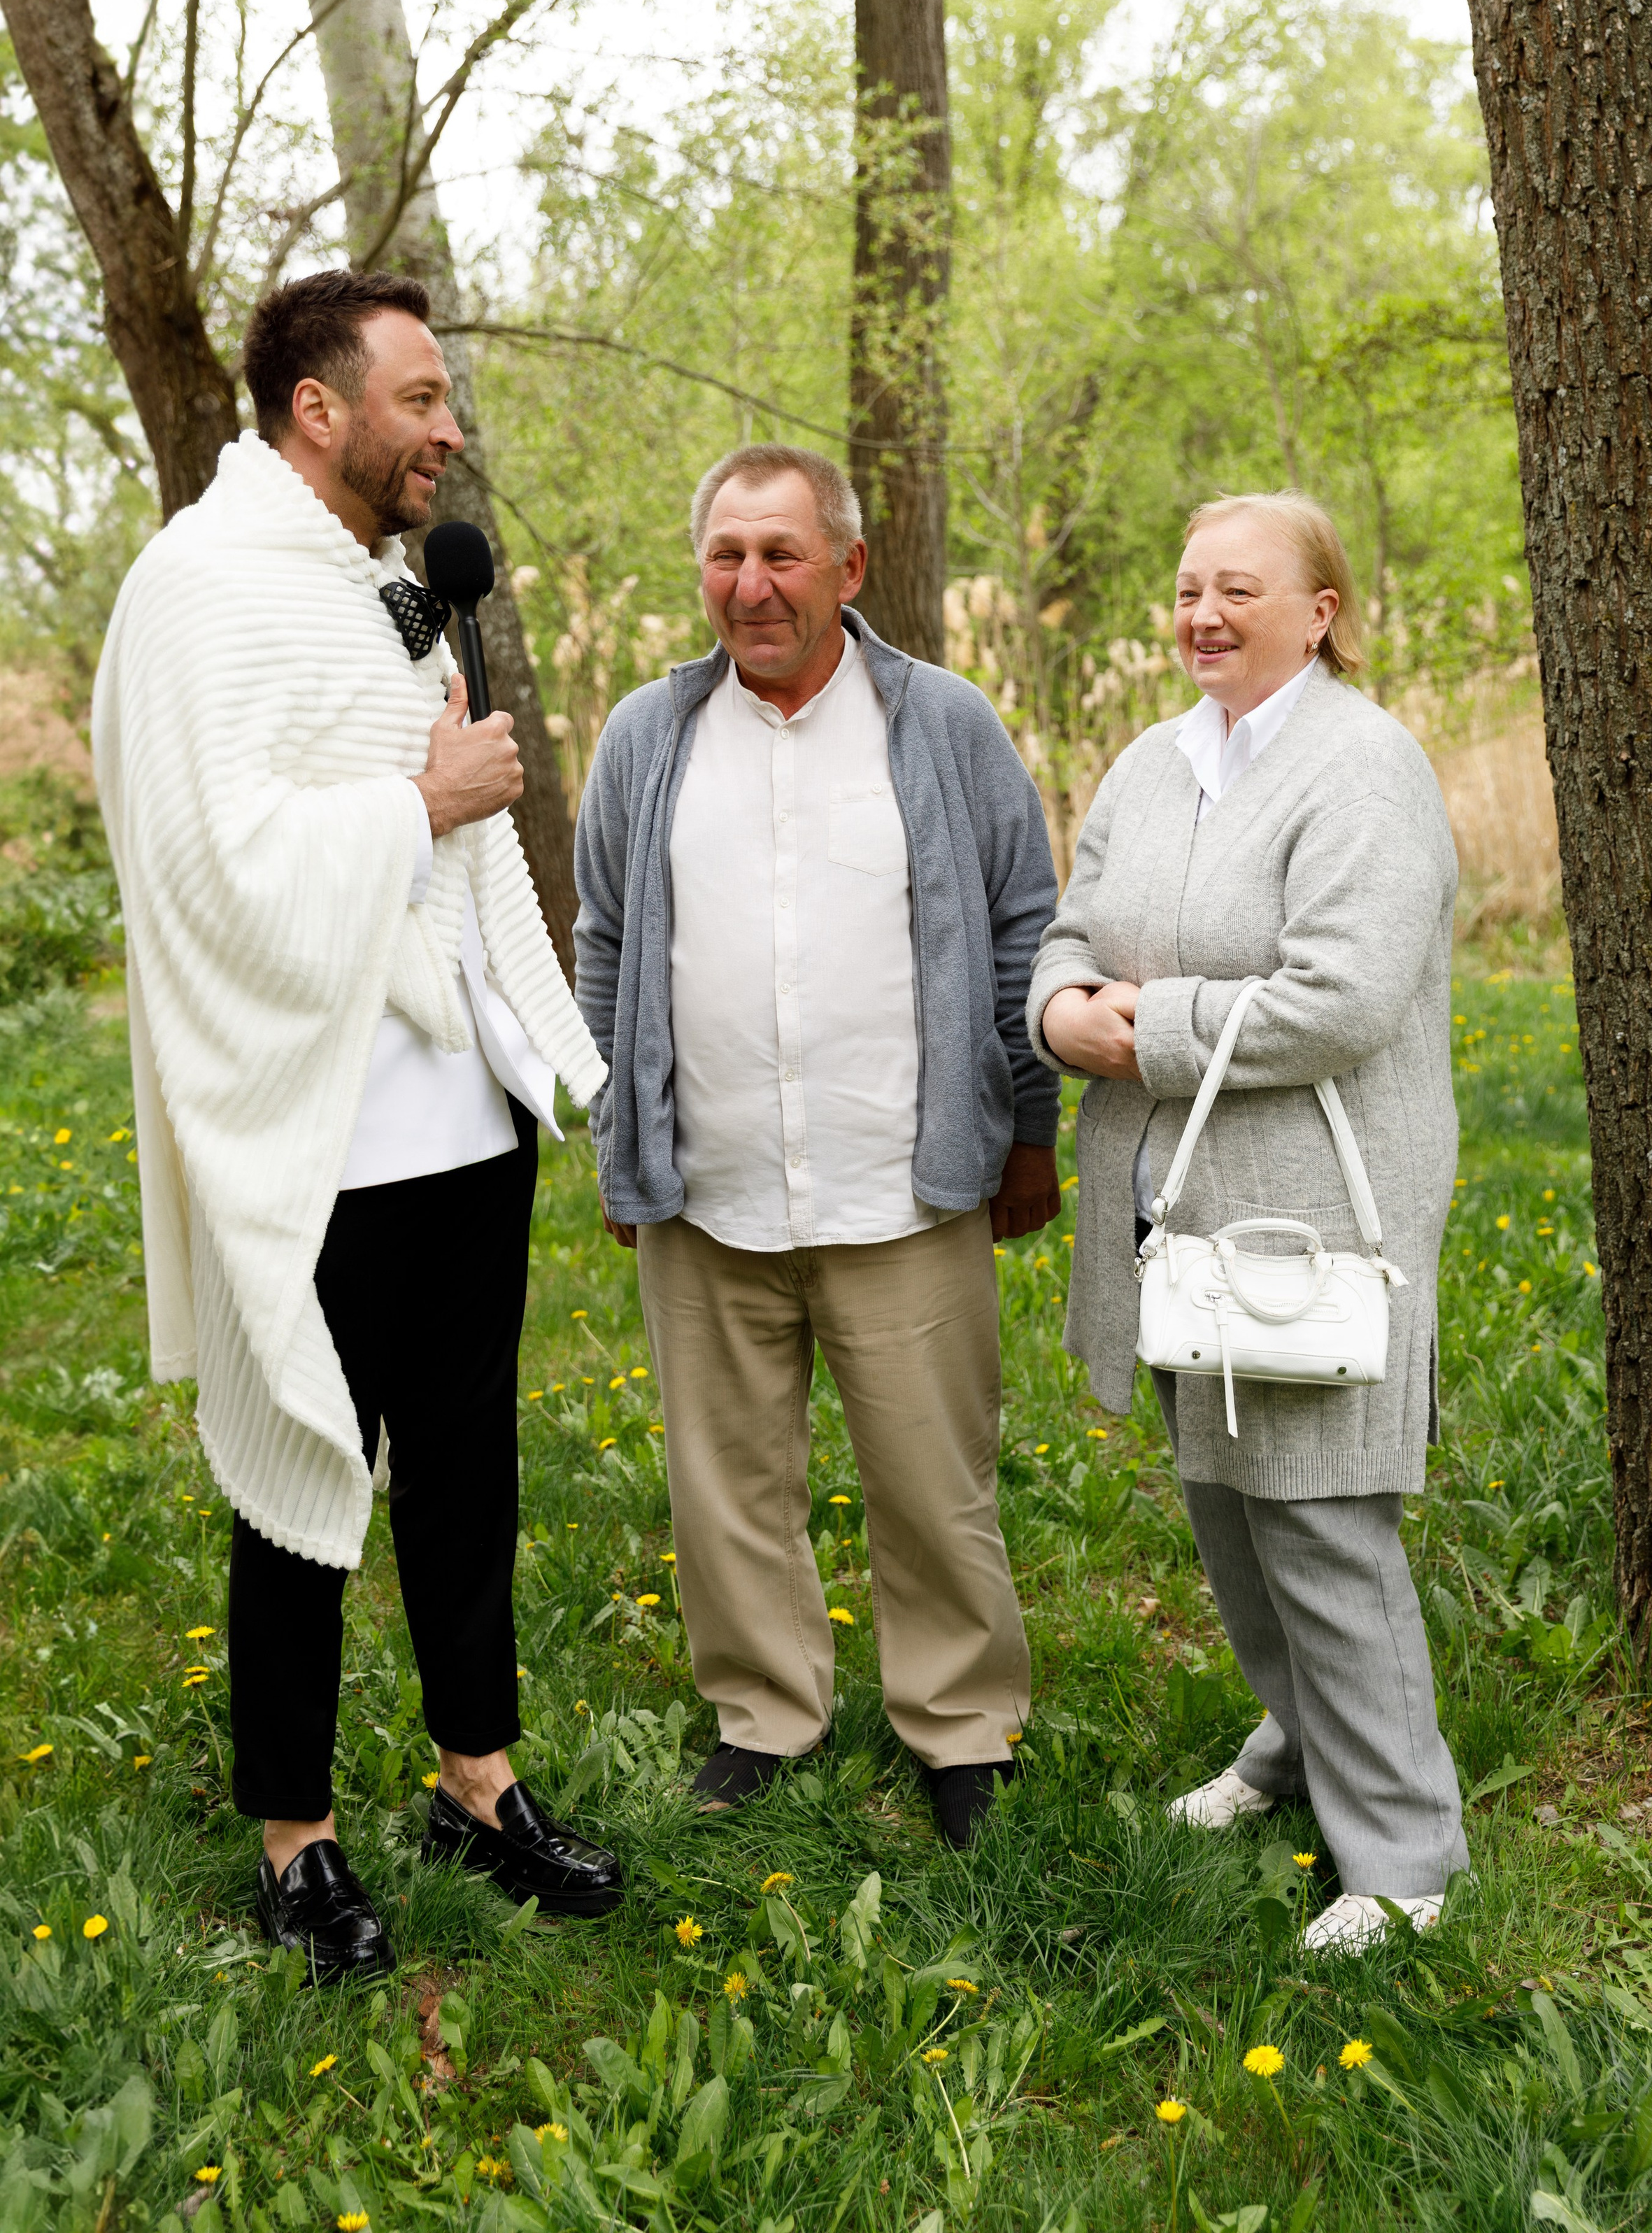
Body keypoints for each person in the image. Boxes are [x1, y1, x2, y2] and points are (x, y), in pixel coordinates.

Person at [92, 269, 623, 1985]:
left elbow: (441, 841)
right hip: (313, 1129)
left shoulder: (388, 583)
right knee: (304, 1478)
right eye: (419, 397)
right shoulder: (199, 587)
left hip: (459, 1114)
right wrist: (420, 802)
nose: (449, 428)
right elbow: (207, 857)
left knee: (468, 1476)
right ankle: (296, 1836)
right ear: (316, 408)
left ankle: (480, 1780)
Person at [574, 444, 1061, 1848]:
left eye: (780, 553)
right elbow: (603, 940)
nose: (750, 583)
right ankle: (761, 1712)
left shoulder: (942, 723)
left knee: (931, 1477)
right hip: (708, 1189)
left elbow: (1023, 923)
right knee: (726, 1482)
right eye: (726, 554)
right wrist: (625, 1130)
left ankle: (960, 1724)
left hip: (901, 1185)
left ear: (848, 569)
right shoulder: (646, 736)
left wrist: (1027, 1125)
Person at [1027, 490, 1468, 1952]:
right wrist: (1057, 1006)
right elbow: (1070, 934)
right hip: (1175, 1205)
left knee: (1322, 1521)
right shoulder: (1154, 763)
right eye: (1183, 586)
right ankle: (1296, 1744)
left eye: (1235, 588)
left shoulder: (1364, 769)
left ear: (1320, 608)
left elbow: (1339, 995)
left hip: (1307, 1211)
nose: (1199, 614)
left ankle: (1404, 1856)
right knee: (1226, 1507)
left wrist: (1139, 1028)